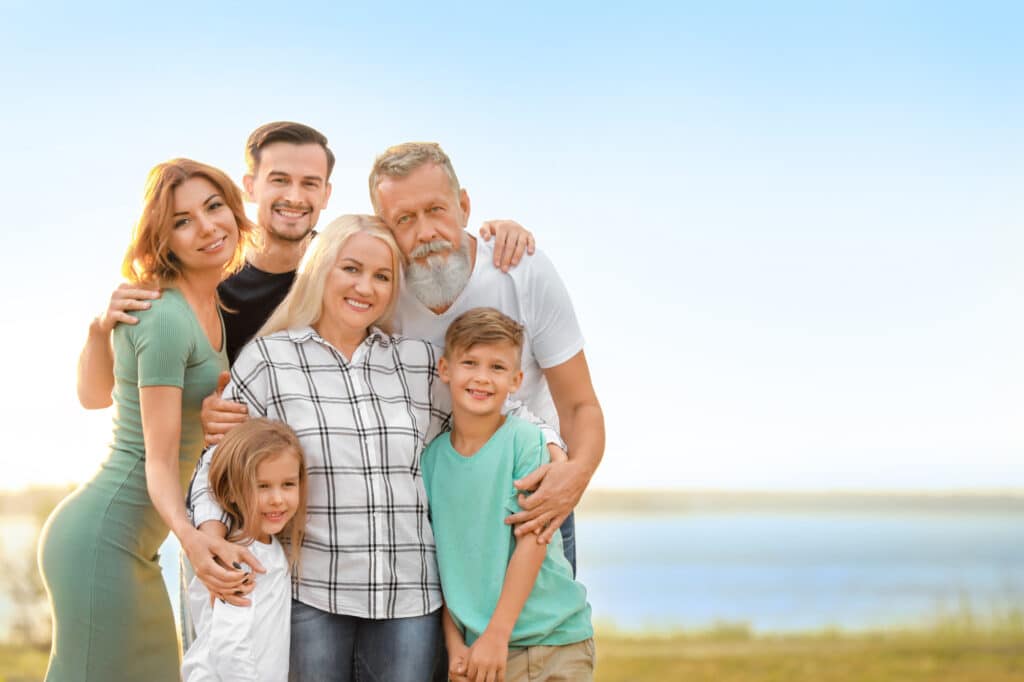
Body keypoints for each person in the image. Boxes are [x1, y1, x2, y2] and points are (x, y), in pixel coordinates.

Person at [189, 214, 563, 681]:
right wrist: (209, 536)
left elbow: (498, 413)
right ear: (322, 268)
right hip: (314, 593)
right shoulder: (270, 359)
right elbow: (217, 463)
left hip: (411, 600)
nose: (365, 286)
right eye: (351, 269)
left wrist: (553, 448)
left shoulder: (416, 362)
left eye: (382, 276)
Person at [38, 159, 260, 680]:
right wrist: (190, 537)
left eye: (213, 207)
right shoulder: (163, 317)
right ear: (164, 240)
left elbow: (100, 399)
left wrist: (100, 331)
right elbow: (157, 460)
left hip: (135, 545)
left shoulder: (209, 308)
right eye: (183, 221)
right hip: (102, 538)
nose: (206, 227)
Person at [369, 142, 605, 573]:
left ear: (463, 206)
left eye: (436, 210)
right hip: (428, 510)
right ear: (384, 229)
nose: (425, 232)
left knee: (547, 636)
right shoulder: (376, 292)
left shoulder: (522, 270)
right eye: (404, 219)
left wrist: (573, 478)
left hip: (531, 497)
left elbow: (579, 404)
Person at [422, 308, 595, 682]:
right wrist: (455, 646)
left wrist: (497, 634)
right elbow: (441, 565)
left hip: (550, 642)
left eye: (497, 368)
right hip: (479, 653)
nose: (482, 378)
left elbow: (533, 540)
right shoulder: (431, 461)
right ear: (445, 369)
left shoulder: (527, 442)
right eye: (470, 363)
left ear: (516, 380)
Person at [182, 418, 307, 682]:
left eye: (288, 484)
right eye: (262, 486)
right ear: (231, 493)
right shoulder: (239, 559)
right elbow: (229, 646)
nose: (277, 498)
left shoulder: (264, 546)